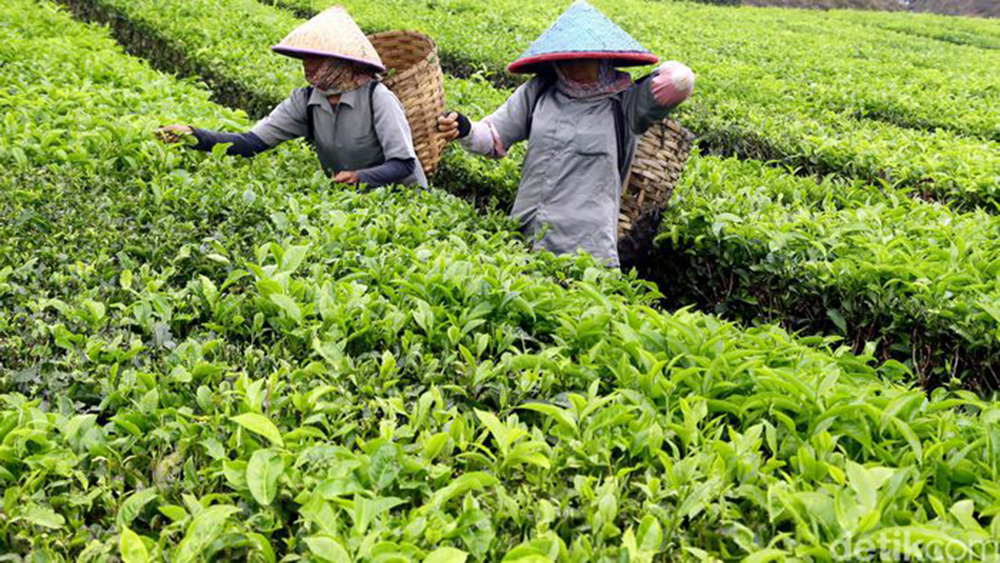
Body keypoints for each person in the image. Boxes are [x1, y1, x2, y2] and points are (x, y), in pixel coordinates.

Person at [437, 0, 694, 267]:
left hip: (588, 254)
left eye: (583, 57)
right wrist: (464, 128)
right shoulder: (539, 91)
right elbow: (492, 138)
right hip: (526, 238)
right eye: (565, 57)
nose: (572, 65)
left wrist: (660, 73)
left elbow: (680, 82)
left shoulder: (626, 105)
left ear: (603, 57)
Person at [158, 6, 427, 188]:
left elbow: (403, 164)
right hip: (353, 198)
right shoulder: (306, 101)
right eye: (304, 57)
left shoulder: (377, 98)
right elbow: (250, 143)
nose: (306, 65)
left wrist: (360, 177)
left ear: (341, 61)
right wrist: (193, 134)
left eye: (316, 58)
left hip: (401, 198)